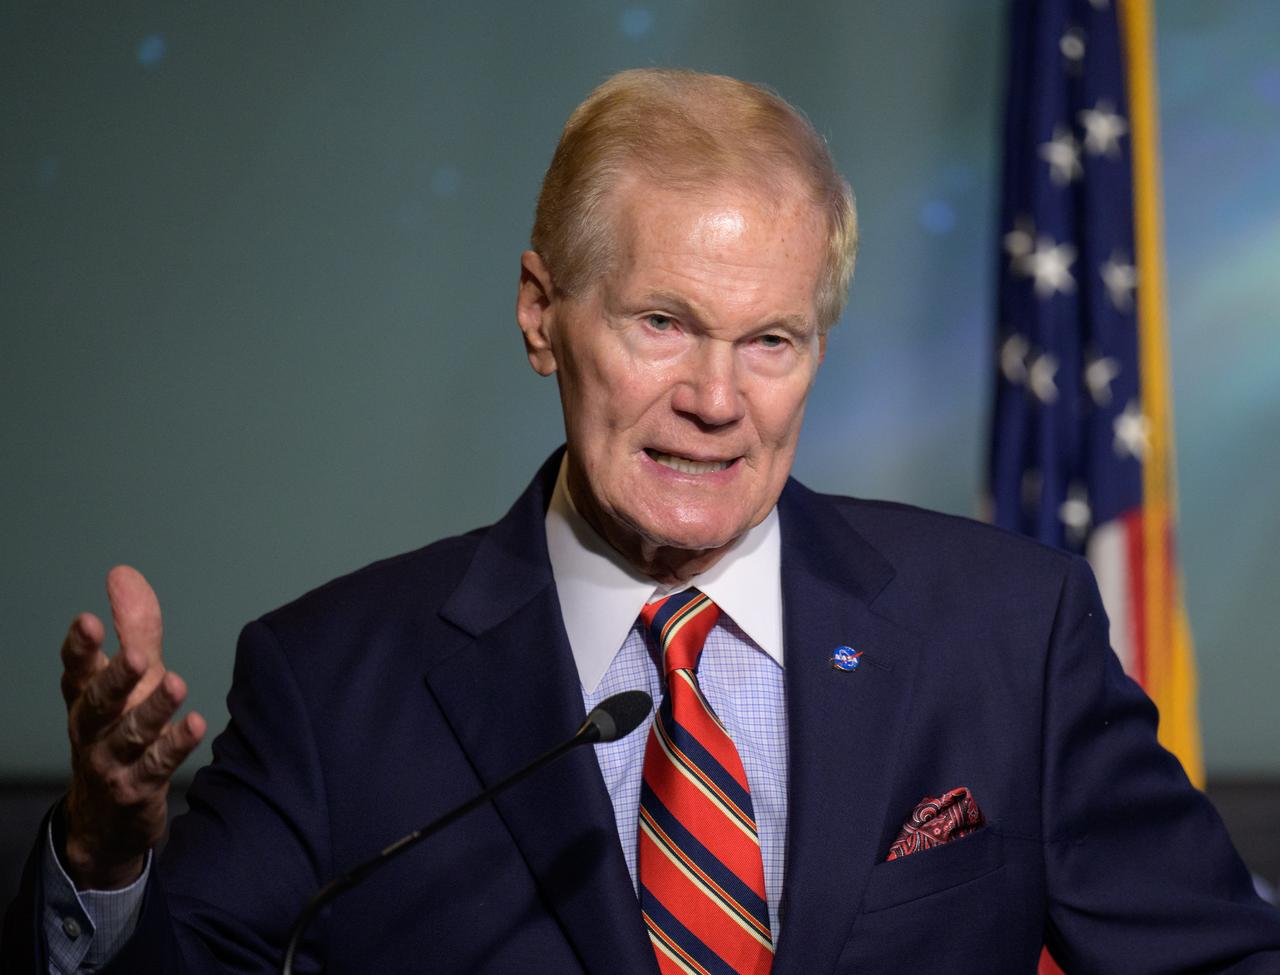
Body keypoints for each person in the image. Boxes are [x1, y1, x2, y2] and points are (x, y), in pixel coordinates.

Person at [5, 68, 1280, 975]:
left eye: (770, 339)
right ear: (539, 313)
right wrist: (107, 859)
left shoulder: (1006, 629)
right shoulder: (333, 682)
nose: (715, 401)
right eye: (661, 323)